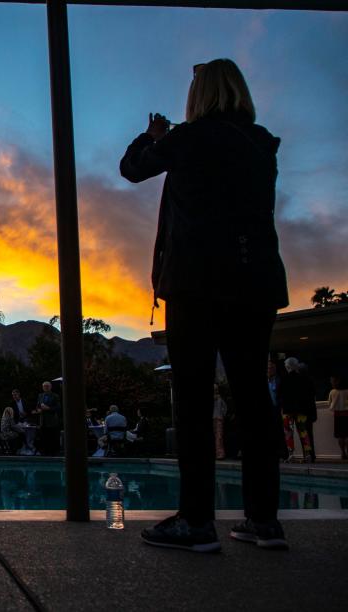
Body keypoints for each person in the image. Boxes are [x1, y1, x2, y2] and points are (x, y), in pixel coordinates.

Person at [121, 59, 289, 552]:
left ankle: (196, 522)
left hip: (197, 282)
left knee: (193, 398)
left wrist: (151, 134)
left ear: (200, 96)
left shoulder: (188, 138)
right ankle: (264, 521)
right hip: (256, 283)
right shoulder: (262, 145)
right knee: (253, 399)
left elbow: (132, 170)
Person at [280, 357, 314, 463]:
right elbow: (310, 394)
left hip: (287, 411)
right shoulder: (303, 378)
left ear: (287, 367)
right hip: (301, 410)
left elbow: (280, 394)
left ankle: (291, 454)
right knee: (303, 432)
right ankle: (307, 454)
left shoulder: (284, 379)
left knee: (288, 433)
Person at [33, 381, 61, 455]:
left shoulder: (55, 396)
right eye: (44, 386)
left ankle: (53, 453)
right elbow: (38, 406)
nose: (45, 387)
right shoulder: (40, 395)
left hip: (52, 420)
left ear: (50, 387)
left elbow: (58, 408)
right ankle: (44, 452)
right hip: (42, 420)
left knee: (52, 437)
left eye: (47, 386)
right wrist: (38, 410)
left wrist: (48, 408)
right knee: (43, 437)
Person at [328, 375, 348, 460]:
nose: (331, 383)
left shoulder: (332, 392)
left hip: (338, 415)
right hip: (347, 414)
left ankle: (343, 452)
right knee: (347, 435)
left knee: (340, 435)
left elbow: (329, 404)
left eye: (332, 381)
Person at [213, 385, 228, 460]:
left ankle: (220, 454)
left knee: (219, 437)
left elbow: (225, 408)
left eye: (216, 389)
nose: (216, 391)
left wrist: (222, 415)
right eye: (215, 389)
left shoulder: (220, 399)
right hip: (213, 419)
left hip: (218, 419)